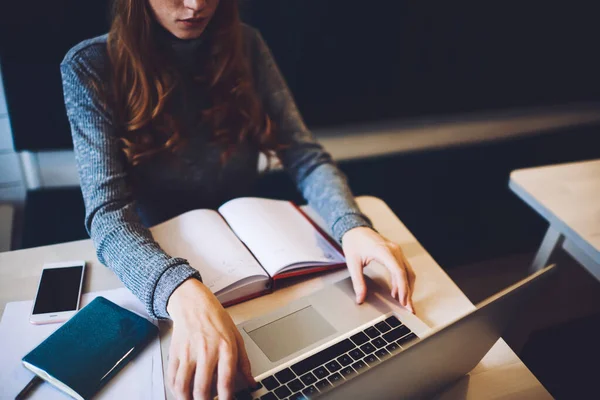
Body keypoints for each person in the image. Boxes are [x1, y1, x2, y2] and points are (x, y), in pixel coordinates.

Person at [61, 0, 416, 399]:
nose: (196, 5)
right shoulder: (89, 66)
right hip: (157, 264)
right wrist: (180, 291)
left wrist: (353, 226)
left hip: (254, 259)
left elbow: (305, 155)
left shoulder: (246, 43)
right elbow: (108, 215)